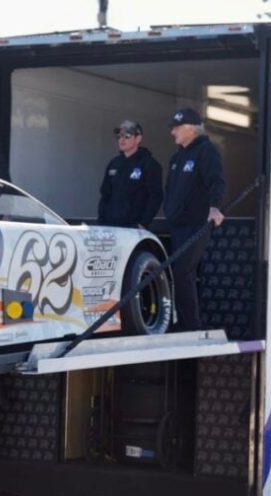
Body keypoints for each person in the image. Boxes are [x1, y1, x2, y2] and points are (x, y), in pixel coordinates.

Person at [163, 108, 225, 331]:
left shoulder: (207, 151)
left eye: (176, 128)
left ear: (191, 128)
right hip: (177, 225)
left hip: (197, 224)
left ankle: (191, 326)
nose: (172, 132)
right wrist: (169, 210)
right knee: (177, 273)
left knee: (183, 271)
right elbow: (169, 188)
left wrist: (214, 208)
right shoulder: (177, 157)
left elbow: (216, 181)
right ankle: (183, 323)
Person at [97, 120, 163, 229]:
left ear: (138, 139)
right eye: (119, 136)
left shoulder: (149, 164)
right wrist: (101, 222)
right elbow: (105, 195)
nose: (121, 139)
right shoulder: (114, 163)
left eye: (127, 135)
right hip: (109, 227)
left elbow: (155, 196)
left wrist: (143, 223)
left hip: (133, 227)